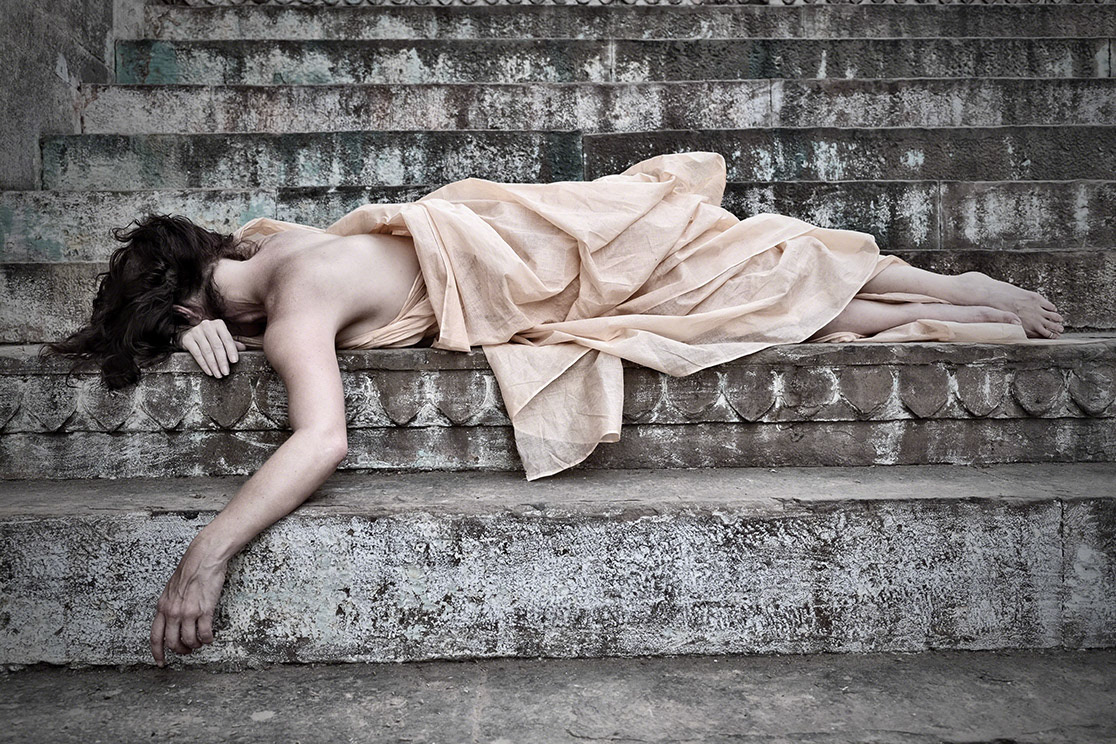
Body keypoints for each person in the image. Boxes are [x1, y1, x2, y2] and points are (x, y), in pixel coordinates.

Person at [45, 151, 1063, 666]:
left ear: (182, 299)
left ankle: (969, 290)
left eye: (167, 326)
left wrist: (203, 556)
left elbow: (323, 438)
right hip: (533, 239)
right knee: (764, 301)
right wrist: (189, 322)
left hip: (557, 266)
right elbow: (234, 262)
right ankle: (958, 293)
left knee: (761, 282)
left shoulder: (297, 297)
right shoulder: (277, 254)